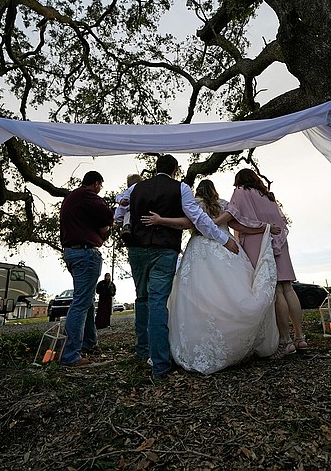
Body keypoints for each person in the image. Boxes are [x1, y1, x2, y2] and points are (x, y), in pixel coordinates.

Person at [141, 179, 282, 374]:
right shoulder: (223, 204)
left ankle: (199, 342)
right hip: (227, 247)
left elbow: (186, 224)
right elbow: (241, 226)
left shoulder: (193, 203)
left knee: (198, 295)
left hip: (199, 247)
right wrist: (264, 228)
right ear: (214, 190)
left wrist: (160, 221)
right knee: (228, 292)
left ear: (197, 191)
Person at [123, 155, 239, 377]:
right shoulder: (181, 188)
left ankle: (142, 350)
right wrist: (223, 239)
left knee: (142, 298)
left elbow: (119, 211)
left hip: (137, 249)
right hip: (164, 249)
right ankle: (159, 363)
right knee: (157, 302)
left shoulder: (136, 187)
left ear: (155, 168)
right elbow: (197, 218)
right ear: (175, 169)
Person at [226, 168, 306, 359]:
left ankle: (286, 341)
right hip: (280, 241)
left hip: (259, 243)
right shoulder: (269, 197)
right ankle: (300, 337)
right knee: (288, 288)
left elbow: (235, 218)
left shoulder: (240, 192)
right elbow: (282, 222)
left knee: (276, 290)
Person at [58, 171, 114, 367]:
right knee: (81, 302)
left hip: (72, 253)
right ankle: (70, 355)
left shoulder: (72, 199)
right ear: (97, 183)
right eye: (101, 186)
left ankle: (89, 342)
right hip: (85, 253)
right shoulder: (88, 195)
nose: (100, 190)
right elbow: (108, 215)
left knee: (88, 300)